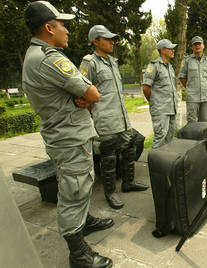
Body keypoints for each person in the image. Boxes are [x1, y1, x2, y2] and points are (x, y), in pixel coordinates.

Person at [22, 2, 113, 267]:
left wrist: (80, 97)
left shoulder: (34, 55)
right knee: (73, 192)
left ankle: (84, 222)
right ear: (49, 28)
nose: (67, 30)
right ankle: (79, 255)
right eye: (63, 25)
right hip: (69, 138)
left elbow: (82, 95)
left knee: (78, 185)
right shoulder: (50, 59)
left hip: (64, 135)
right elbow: (93, 93)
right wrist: (83, 96)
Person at [79, 25, 148, 210]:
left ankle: (128, 182)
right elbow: (81, 91)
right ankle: (110, 192)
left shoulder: (112, 61)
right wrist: (92, 113)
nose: (112, 42)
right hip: (106, 119)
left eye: (112, 39)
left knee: (130, 146)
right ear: (95, 41)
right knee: (108, 157)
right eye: (107, 39)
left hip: (122, 117)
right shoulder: (90, 62)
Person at [142, 39, 178, 148]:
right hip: (161, 109)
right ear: (162, 50)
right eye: (170, 48)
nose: (173, 50)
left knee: (170, 138)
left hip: (171, 108)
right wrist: (154, 102)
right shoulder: (153, 65)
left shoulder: (170, 67)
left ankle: (167, 163)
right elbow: (145, 87)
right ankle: (155, 163)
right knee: (160, 138)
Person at [179, 36, 207, 123]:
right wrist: (191, 88)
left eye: (199, 44)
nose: (197, 46)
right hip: (192, 97)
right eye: (195, 44)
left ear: (203, 46)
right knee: (192, 121)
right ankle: (191, 137)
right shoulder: (187, 61)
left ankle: (202, 137)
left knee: (204, 121)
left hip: (205, 97)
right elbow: (182, 77)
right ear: (192, 47)